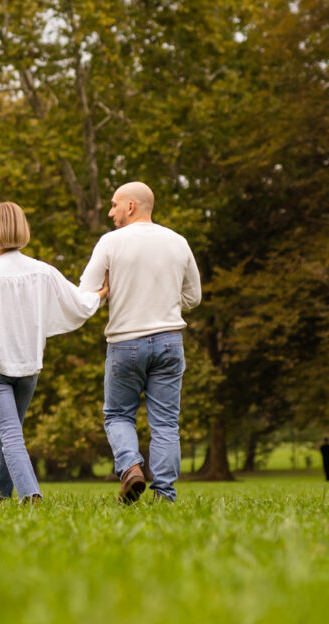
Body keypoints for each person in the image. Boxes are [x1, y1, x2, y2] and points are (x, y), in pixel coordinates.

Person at [0, 202, 109, 504]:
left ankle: (30, 493)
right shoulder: (43, 271)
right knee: (9, 430)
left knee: (9, 433)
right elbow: (78, 302)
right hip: (29, 365)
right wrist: (100, 294)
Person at [79, 182, 201, 504]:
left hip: (125, 343)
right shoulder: (178, 242)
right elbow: (194, 297)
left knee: (119, 415)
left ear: (130, 207)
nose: (110, 212)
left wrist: (107, 295)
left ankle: (131, 467)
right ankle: (165, 494)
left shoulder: (110, 243)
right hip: (169, 342)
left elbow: (86, 293)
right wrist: (164, 301)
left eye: (114, 205)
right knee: (165, 422)